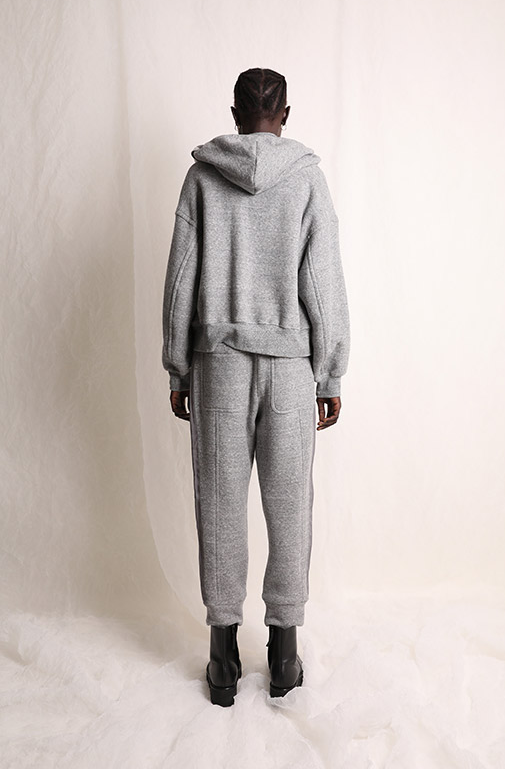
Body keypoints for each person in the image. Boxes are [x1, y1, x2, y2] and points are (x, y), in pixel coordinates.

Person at [162, 67, 350, 706]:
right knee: (289, 503)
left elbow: (181, 277)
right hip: (291, 368)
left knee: (218, 503)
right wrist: (330, 370)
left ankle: (222, 659)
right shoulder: (306, 178)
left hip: (218, 365)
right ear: (285, 115)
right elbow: (322, 279)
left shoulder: (202, 177)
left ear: (235, 114)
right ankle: (285, 654)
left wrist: (178, 364)